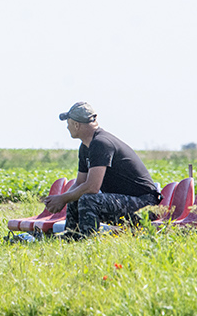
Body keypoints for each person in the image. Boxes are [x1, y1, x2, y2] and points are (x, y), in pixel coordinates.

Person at [42, 102, 161, 240]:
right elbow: (80, 183)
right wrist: (63, 199)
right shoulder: (86, 147)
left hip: (145, 206)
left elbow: (92, 187)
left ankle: (87, 240)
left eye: (68, 123)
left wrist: (62, 198)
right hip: (127, 202)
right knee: (75, 196)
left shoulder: (101, 143)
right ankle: (72, 236)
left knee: (88, 199)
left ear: (76, 125)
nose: (67, 127)